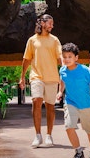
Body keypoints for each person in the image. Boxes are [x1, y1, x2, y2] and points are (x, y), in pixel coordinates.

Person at [19, 13, 63, 148]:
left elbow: (60, 58)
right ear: (43, 23)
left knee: (50, 107)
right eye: (50, 23)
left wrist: (68, 72)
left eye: (52, 23)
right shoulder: (32, 40)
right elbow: (26, 59)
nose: (52, 26)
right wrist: (22, 77)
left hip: (52, 77)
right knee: (36, 101)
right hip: (36, 76)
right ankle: (38, 135)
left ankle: (49, 135)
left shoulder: (55, 40)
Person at [56, 42, 90, 158]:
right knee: (69, 126)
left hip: (86, 104)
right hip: (70, 102)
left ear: (76, 58)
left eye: (70, 57)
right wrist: (60, 91)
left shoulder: (85, 70)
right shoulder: (62, 70)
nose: (66, 59)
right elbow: (62, 80)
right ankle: (78, 151)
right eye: (64, 57)